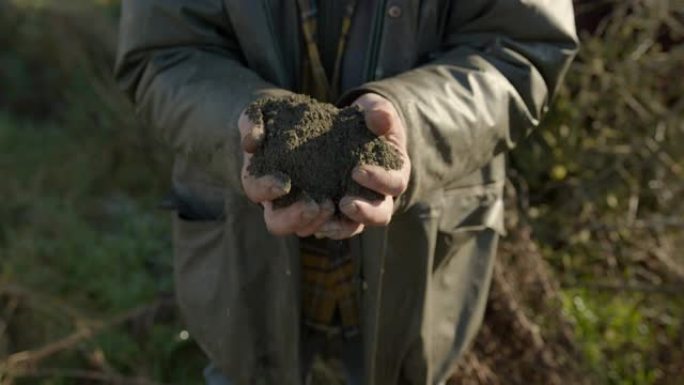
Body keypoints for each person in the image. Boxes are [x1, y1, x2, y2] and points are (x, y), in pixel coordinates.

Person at [115, 1, 578, 384]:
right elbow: (164, 53)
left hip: (418, 270)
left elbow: (523, 46)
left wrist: (409, 126)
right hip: (244, 274)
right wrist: (247, 132)